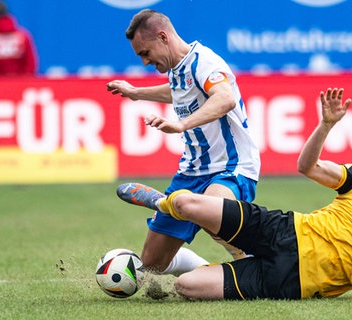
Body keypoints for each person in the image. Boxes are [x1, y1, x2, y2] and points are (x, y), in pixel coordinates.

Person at [117, 87, 352, 300]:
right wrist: (326, 126)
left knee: (187, 287)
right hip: (286, 229)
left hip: (293, 281)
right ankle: (158, 201)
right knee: (185, 203)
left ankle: (218, 260)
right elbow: (306, 167)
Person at [107, 9, 260, 276]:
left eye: (145, 53)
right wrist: (135, 92)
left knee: (212, 210)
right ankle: (204, 270)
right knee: (153, 264)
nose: (144, 62)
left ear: (163, 37)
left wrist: (182, 124)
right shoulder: (179, 68)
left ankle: (250, 261)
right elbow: (178, 91)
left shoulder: (205, 62)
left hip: (231, 167)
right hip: (191, 172)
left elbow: (225, 98)